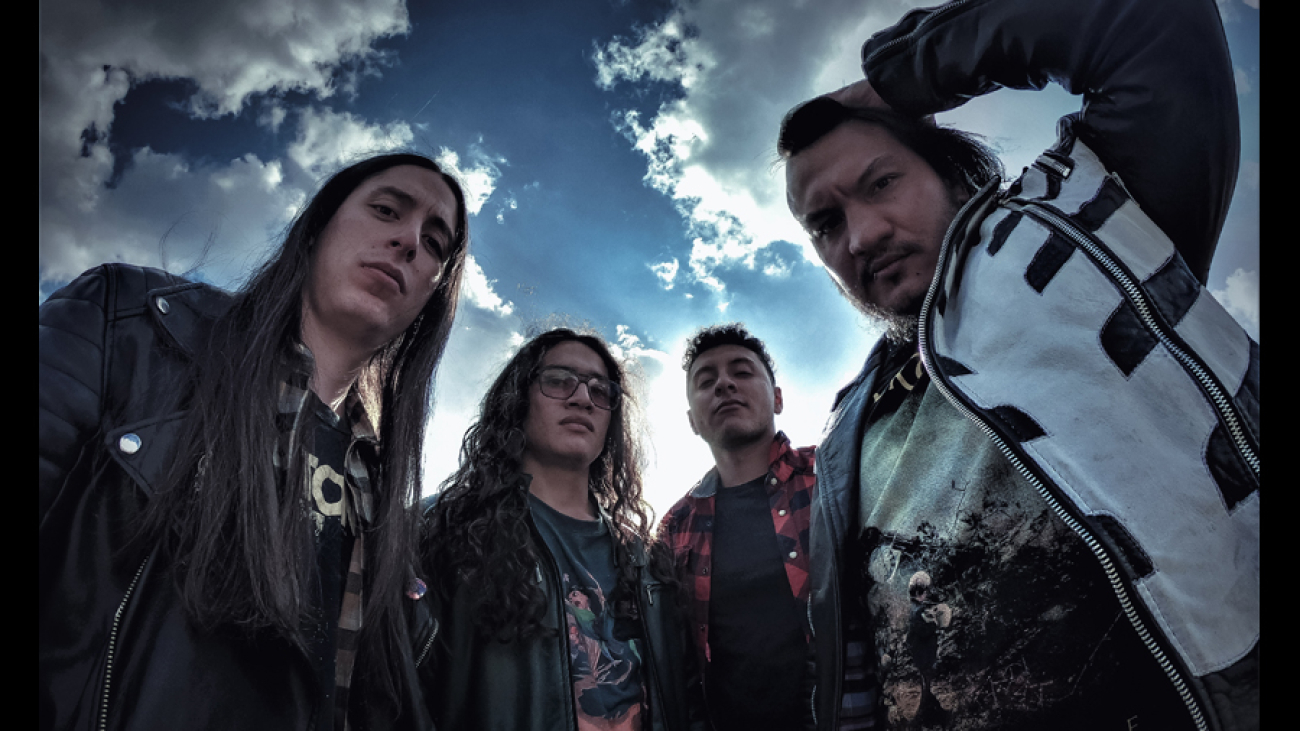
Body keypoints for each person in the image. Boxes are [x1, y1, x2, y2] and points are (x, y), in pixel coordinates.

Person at [777, 0, 1259, 729]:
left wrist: (897, 78)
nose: (863, 235)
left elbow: (1154, 19)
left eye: (881, 184)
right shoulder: (850, 419)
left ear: (950, 173)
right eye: (826, 223)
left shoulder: (1085, 235)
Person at [39, 152, 469, 730]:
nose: (410, 241)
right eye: (387, 210)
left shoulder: (383, 496)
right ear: (317, 227)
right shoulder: (129, 324)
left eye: (435, 244)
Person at [419, 327, 703, 731]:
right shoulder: (444, 530)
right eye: (558, 381)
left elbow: (686, 699)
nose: (583, 398)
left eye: (600, 390)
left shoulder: (647, 561)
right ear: (518, 399)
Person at [658, 323, 818, 730]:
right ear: (692, 421)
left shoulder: (834, 476)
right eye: (705, 381)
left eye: (742, 372)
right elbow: (680, 660)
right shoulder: (676, 527)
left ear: (777, 398)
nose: (724, 384)